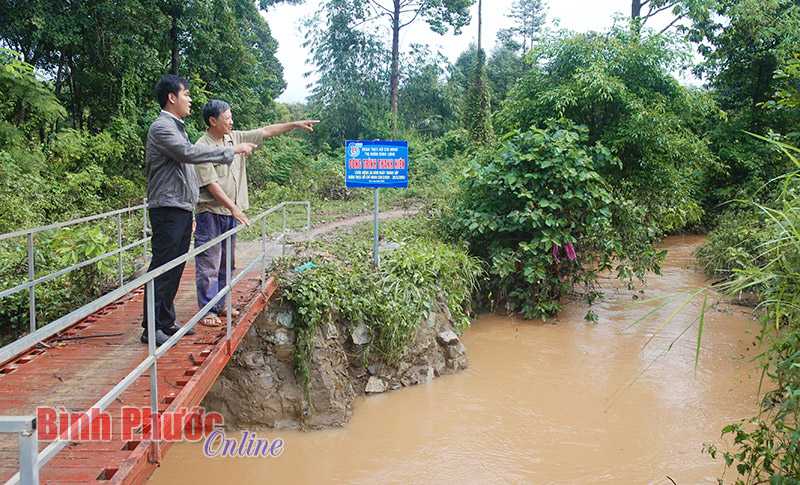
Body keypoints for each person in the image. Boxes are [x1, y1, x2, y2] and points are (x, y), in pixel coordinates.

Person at [142, 76, 257, 345]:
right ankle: (151, 327)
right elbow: (187, 153)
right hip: (168, 207)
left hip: (180, 206)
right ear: (172, 97)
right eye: (186, 94)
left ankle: (166, 321)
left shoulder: (176, 126)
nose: (190, 99)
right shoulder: (162, 127)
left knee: (175, 266)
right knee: (163, 266)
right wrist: (231, 151)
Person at [193, 99, 318, 326]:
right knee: (209, 262)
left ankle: (221, 304)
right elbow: (211, 184)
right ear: (213, 121)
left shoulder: (234, 137)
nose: (231, 121)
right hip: (211, 211)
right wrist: (233, 207)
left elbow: (266, 131)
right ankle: (207, 310)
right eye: (227, 118)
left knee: (226, 262)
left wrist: (295, 124)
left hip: (231, 212)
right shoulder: (202, 147)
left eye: (231, 117)